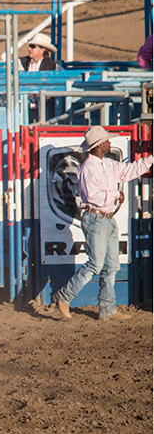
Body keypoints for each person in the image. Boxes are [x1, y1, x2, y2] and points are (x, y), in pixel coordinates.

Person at [53, 126, 153, 321]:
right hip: (96, 217)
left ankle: (107, 308)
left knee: (111, 265)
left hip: (104, 218)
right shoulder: (89, 168)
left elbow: (129, 170)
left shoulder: (105, 164)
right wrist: (116, 194)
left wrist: (150, 160)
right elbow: (93, 196)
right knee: (95, 264)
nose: (109, 143)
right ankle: (64, 297)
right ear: (99, 145)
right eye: (107, 141)